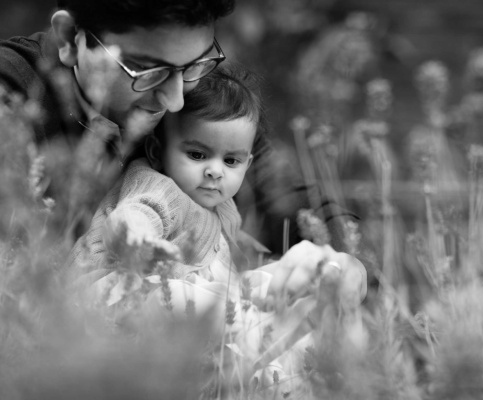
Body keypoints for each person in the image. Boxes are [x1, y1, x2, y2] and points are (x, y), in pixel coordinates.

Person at [1, 0, 370, 303]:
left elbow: (294, 200)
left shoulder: (200, 96)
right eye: (146, 72)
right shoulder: (12, 96)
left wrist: (347, 263)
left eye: (195, 65)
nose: (175, 100)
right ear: (69, 38)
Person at [68, 64, 367, 390]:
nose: (215, 171)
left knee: (278, 294)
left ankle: (297, 364)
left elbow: (222, 271)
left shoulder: (224, 209)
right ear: (157, 151)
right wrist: (141, 243)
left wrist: (269, 280)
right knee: (219, 312)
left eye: (230, 161)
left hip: (177, 307)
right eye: (197, 154)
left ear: (248, 163)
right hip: (113, 294)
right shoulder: (158, 187)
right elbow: (131, 217)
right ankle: (263, 365)